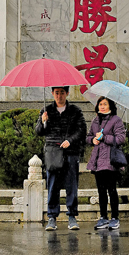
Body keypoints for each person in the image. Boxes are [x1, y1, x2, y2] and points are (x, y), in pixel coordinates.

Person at [35, 86, 86, 231]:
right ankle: (52, 217)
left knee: (72, 185)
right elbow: (39, 132)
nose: (59, 96)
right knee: (53, 184)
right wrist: (43, 121)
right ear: (52, 93)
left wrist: (70, 140)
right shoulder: (46, 110)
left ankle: (72, 216)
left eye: (62, 93)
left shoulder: (75, 111)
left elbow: (82, 130)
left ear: (67, 93)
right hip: (53, 152)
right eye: (56, 93)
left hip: (71, 152)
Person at [86, 96, 126, 230]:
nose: (102, 106)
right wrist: (93, 140)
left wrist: (104, 137)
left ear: (110, 106)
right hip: (98, 160)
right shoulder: (95, 121)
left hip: (110, 160)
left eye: (105, 104)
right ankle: (103, 217)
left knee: (111, 189)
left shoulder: (116, 120)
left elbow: (120, 138)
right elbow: (88, 136)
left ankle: (115, 217)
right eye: (100, 104)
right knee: (101, 190)